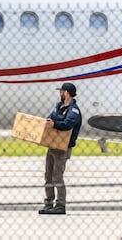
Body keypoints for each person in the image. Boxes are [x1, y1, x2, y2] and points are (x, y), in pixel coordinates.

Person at [38, 82, 82, 215]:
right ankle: (49, 203)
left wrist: (55, 123)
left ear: (67, 93)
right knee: (48, 176)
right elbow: (51, 118)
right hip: (52, 146)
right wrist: (51, 122)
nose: (60, 93)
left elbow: (68, 124)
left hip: (62, 149)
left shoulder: (74, 110)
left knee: (57, 176)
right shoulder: (59, 106)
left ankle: (60, 205)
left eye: (61, 91)